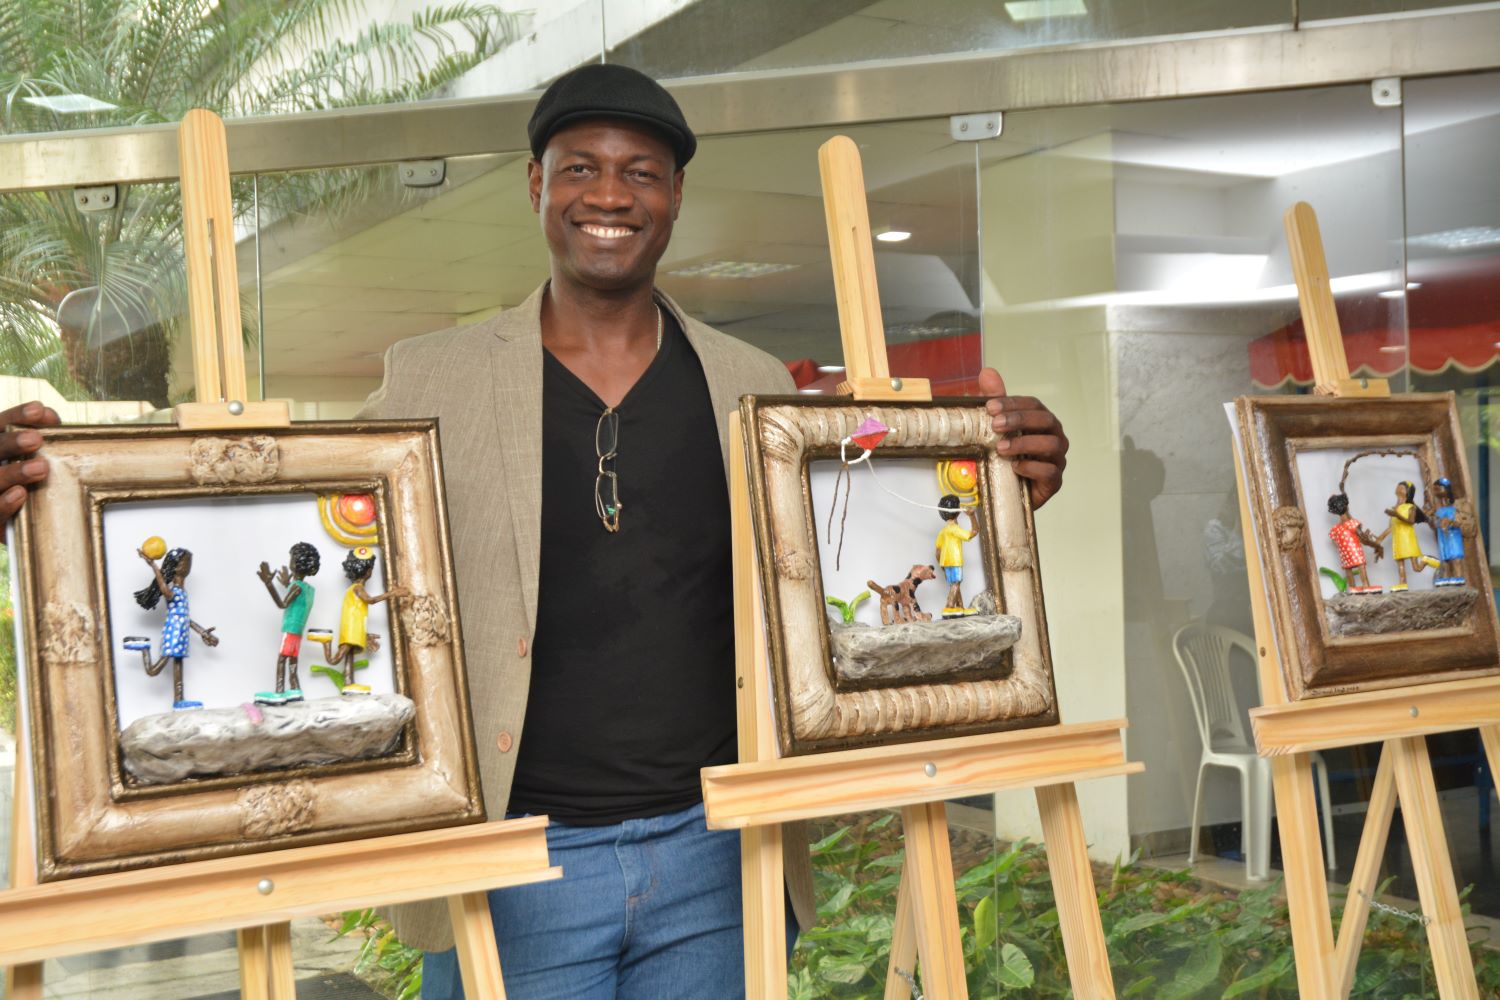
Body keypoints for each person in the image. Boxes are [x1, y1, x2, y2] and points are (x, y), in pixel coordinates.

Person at [3, 65, 1069, 1000]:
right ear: (535, 186)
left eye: (641, 172)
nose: (610, 194)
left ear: (676, 197)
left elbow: (844, 541)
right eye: (581, 168)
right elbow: (281, 510)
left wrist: (992, 478)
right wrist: (59, 491)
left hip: (720, 854)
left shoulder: (750, 384)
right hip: (512, 863)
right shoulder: (431, 380)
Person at [125, 545, 219, 710]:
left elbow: (185, 618)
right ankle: (144, 647)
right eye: (185, 562)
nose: (188, 565)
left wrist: (202, 632)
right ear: (176, 567)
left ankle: (179, 700)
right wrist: (154, 566)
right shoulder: (174, 591)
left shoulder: (182, 591)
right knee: (153, 671)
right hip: (174, 633)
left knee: (178, 665)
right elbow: (164, 590)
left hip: (181, 634)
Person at [314, 546, 408, 694]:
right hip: (351, 629)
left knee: (349, 656)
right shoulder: (358, 588)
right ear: (368, 572)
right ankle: (325, 641)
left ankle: (349, 682)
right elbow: (371, 600)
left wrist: (364, 634)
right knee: (335, 659)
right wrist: (392, 593)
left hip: (354, 628)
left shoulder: (353, 589)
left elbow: (358, 613)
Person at [254, 542, 321, 704]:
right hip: (298, 630)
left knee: (282, 659)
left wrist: (268, 583)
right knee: (293, 659)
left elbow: (282, 604)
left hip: (290, 628)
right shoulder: (308, 589)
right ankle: (295, 689)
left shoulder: (297, 587)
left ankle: (279, 692)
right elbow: (298, 598)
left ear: (296, 563)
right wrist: (287, 584)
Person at [1376, 480, 1438, 592]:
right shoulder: (1395, 509)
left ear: (1408, 492)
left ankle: (1426, 560)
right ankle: (1402, 583)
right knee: (1400, 563)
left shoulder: (1411, 507)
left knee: (1416, 568)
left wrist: (1397, 515)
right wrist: (1380, 537)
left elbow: (1411, 521)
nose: (1399, 488)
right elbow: (1391, 527)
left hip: (1408, 539)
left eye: (1402, 488)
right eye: (1398, 486)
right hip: (1398, 540)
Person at [1326, 492, 1383, 594]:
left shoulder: (1335, 528)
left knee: (1348, 570)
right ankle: (1366, 586)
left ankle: (1352, 588)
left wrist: (1341, 547)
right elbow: (1362, 537)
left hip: (1344, 554)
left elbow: (1334, 541)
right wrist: (1371, 541)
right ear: (1346, 507)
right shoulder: (1353, 523)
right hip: (1355, 551)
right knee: (1361, 566)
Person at [934, 493, 978, 616]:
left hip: (945, 562)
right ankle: (949, 607)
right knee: (956, 583)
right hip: (954, 561)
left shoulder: (943, 531)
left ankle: (960, 608)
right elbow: (973, 532)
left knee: (955, 584)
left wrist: (941, 564)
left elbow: (937, 551)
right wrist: (972, 516)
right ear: (957, 511)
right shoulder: (954, 529)